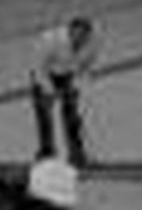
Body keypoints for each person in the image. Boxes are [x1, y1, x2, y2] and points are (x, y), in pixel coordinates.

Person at [29, 16, 98, 167]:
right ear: (70, 31)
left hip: (68, 74)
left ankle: (77, 154)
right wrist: (49, 90)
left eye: (83, 37)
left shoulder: (91, 45)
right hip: (45, 73)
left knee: (72, 116)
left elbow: (85, 69)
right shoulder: (50, 40)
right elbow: (38, 67)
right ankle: (46, 152)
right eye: (76, 35)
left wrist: (76, 87)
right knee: (44, 114)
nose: (79, 40)